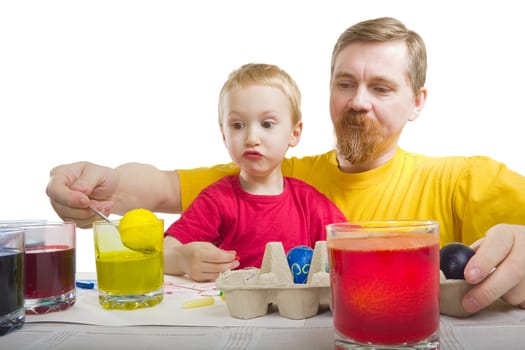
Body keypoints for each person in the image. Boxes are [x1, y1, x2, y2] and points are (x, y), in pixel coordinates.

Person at [46, 17, 525, 314]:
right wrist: (98, 187)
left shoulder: (467, 179)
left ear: (417, 101)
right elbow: (154, 189)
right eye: (344, 84)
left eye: (380, 87)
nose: (357, 102)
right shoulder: (275, 175)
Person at [162, 63, 346, 281]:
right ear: (224, 135)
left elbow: (351, 246)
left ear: (294, 133)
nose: (251, 138)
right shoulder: (217, 200)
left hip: (296, 313)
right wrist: (182, 259)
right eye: (238, 125)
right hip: (234, 312)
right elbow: (163, 252)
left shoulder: (309, 203)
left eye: (267, 124)